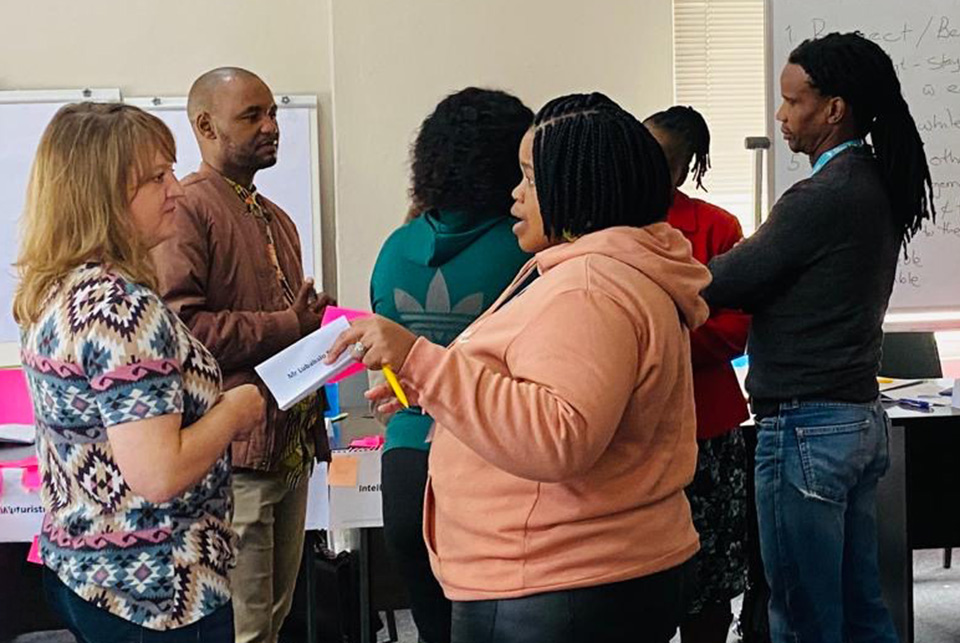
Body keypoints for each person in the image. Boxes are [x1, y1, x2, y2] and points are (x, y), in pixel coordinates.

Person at [329, 92, 709, 643]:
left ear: (576, 185)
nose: (515, 193)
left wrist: (420, 360)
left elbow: (558, 434)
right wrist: (429, 388)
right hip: (574, 573)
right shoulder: (604, 274)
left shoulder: (589, 287)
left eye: (529, 177)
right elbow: (542, 394)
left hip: (560, 580)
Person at [702, 32, 935, 643]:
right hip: (854, 420)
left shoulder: (820, 196)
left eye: (792, 102)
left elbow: (727, 280)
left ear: (834, 109)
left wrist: (652, 261)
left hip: (807, 427)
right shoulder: (873, 181)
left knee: (804, 619)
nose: (780, 116)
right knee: (861, 609)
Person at [14, 102, 264, 642]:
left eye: (171, 170)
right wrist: (236, 411)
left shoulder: (55, 287)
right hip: (158, 592)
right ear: (101, 195)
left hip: (88, 572)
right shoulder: (121, 309)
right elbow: (159, 474)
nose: (176, 189)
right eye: (156, 177)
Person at [151, 67, 333, 643]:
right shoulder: (187, 210)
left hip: (289, 445)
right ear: (205, 125)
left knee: (273, 621)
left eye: (274, 113)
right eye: (252, 116)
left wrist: (319, 330)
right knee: (245, 628)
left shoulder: (274, 216)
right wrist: (287, 323)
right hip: (235, 460)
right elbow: (179, 328)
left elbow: (282, 331)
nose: (272, 127)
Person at [370, 87, 532, 643]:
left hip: (405, 464)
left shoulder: (393, 248)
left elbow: (387, 360)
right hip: (490, 469)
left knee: (435, 629)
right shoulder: (528, 252)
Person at [645, 106, 750, 643]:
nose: (647, 167)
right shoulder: (599, 221)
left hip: (705, 423)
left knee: (709, 576)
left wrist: (656, 344)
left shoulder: (716, 227)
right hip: (633, 429)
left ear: (684, 171)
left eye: (664, 162)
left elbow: (735, 327)